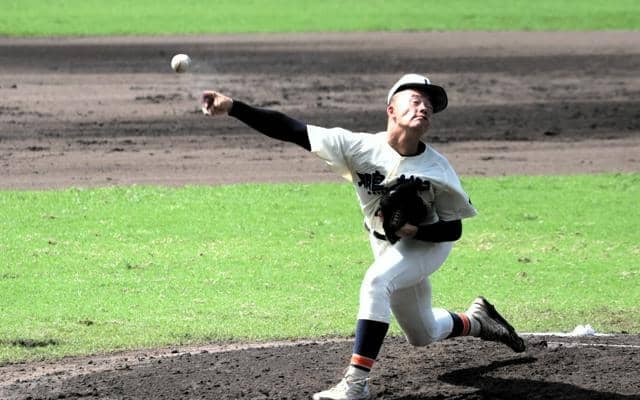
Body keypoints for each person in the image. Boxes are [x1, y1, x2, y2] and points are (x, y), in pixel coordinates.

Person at [201, 73, 526, 400]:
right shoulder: (357, 147)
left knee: (376, 282)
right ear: (391, 109)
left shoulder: (437, 169)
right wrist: (233, 107)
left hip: (428, 244)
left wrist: (416, 230)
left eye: (429, 105)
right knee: (422, 332)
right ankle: (477, 320)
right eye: (415, 101)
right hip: (384, 243)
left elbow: (454, 229)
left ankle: (356, 384)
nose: (424, 108)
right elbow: (291, 129)